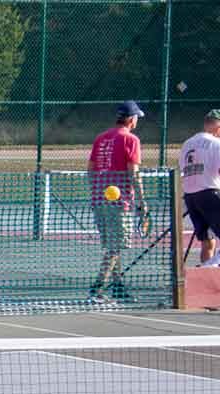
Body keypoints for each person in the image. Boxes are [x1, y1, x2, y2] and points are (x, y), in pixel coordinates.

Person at [87, 100, 148, 303]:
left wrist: (96, 192)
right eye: (137, 117)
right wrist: (142, 201)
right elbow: (133, 173)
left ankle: (118, 287)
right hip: (119, 202)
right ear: (131, 119)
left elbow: (91, 170)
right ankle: (97, 289)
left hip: (99, 201)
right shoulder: (131, 140)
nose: (137, 120)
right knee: (115, 247)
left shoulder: (100, 138)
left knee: (114, 246)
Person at [180, 109, 220, 267]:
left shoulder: (187, 144)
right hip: (211, 193)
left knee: (207, 241)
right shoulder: (217, 144)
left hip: (191, 197)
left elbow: (185, 171)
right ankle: (214, 263)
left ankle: (206, 274)